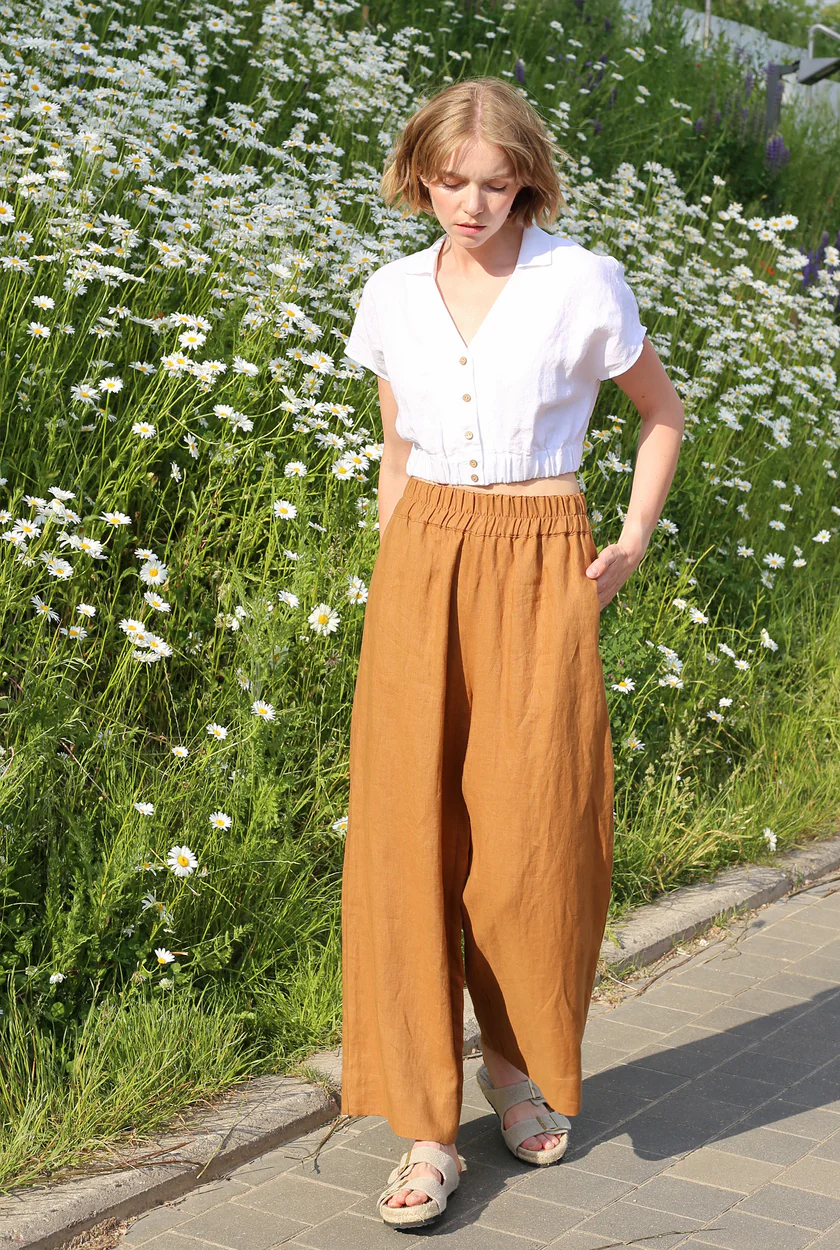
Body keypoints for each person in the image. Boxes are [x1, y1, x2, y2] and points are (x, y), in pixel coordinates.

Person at [341, 75, 684, 1229]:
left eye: (493, 183)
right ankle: (427, 1124)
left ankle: (510, 1065)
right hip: (422, 556)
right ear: (419, 174)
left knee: (529, 837)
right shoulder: (392, 292)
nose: (471, 204)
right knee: (407, 839)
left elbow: (660, 413)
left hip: (543, 555)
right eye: (449, 181)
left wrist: (630, 537)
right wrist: (394, 570)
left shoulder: (581, 281)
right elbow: (397, 443)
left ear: (526, 178)